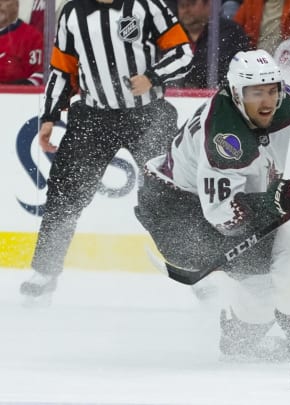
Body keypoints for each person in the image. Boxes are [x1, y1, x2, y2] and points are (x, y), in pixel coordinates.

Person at [134, 49, 290, 363]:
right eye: (255, 94)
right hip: (177, 214)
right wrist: (284, 198)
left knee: (262, 274)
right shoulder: (226, 138)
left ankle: (240, 341)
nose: (266, 102)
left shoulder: (281, 100)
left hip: (194, 200)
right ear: (235, 93)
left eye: (271, 91)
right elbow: (226, 216)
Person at [19, 0, 193, 300]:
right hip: (93, 117)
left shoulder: (147, 6)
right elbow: (62, 69)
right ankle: (45, 270)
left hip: (148, 114)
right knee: (64, 194)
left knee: (174, 194)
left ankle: (197, 269)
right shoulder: (72, 12)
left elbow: (183, 53)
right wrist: (49, 116)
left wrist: (152, 77)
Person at [171, 0, 250, 88]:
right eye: (182, 6)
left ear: (208, 4)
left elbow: (217, 70)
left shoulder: (229, 31)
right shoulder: (172, 34)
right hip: (176, 96)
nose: (186, 10)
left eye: (192, 4)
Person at [0, 0, 43, 85]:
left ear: (16, 5)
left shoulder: (33, 37)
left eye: (4, 0)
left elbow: (40, 75)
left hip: (14, 97)